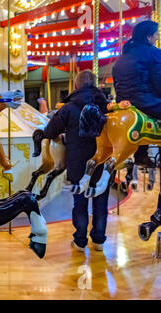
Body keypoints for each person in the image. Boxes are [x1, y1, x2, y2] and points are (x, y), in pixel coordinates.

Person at [43, 70, 111, 252]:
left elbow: (50, 131)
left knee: (80, 203)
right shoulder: (106, 107)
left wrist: (66, 135)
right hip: (101, 161)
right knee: (100, 202)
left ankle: (80, 241)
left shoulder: (69, 108)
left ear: (75, 86)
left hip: (78, 163)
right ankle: (98, 240)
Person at [112, 20, 161, 168]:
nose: (158, 37)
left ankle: (141, 155)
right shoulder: (154, 53)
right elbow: (158, 82)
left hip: (124, 103)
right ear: (148, 37)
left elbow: (116, 84)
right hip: (145, 102)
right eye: (156, 34)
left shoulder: (122, 56)